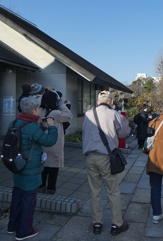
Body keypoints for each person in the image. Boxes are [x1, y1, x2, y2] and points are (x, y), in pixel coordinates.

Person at [7, 96, 58, 240]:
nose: (39, 111)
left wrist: (41, 126)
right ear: (34, 110)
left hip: (17, 167)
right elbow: (49, 140)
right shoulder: (31, 126)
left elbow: (30, 136)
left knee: (17, 197)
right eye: (38, 109)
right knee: (29, 201)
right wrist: (51, 126)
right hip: (30, 170)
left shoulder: (15, 122)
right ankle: (24, 231)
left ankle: (13, 226)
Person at [82, 91, 130, 236]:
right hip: (106, 158)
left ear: (98, 102)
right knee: (113, 191)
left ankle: (97, 223)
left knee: (94, 191)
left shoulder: (88, 114)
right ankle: (116, 224)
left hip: (90, 157)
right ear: (110, 101)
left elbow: (85, 132)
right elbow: (123, 133)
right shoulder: (114, 114)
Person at [38, 89, 72, 194]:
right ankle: (50, 190)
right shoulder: (55, 113)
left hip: (41, 144)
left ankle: (40, 187)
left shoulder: (38, 111)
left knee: (42, 168)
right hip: (54, 144)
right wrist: (60, 102)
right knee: (53, 170)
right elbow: (69, 115)